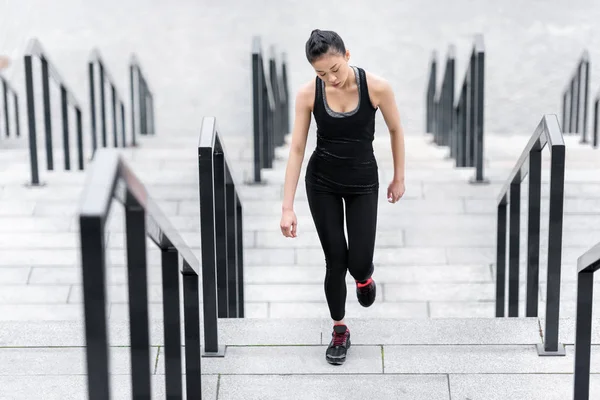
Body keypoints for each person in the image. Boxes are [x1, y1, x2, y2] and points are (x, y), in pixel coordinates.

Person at [279, 29, 406, 365]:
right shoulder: (308, 95)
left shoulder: (377, 87)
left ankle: (364, 278)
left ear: (347, 55)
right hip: (322, 182)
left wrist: (399, 177)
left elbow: (395, 130)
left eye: (334, 69)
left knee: (358, 262)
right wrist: (287, 207)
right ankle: (339, 329)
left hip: (364, 181)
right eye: (321, 73)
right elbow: (295, 150)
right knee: (335, 261)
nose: (330, 79)